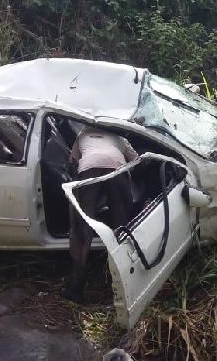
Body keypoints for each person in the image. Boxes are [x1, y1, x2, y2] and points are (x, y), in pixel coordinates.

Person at [62, 126, 138, 303]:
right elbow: (136, 160)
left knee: (83, 227)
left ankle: (75, 288)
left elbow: (73, 160)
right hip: (117, 169)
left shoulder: (82, 134)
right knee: (121, 227)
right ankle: (128, 286)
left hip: (89, 169)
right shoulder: (119, 136)